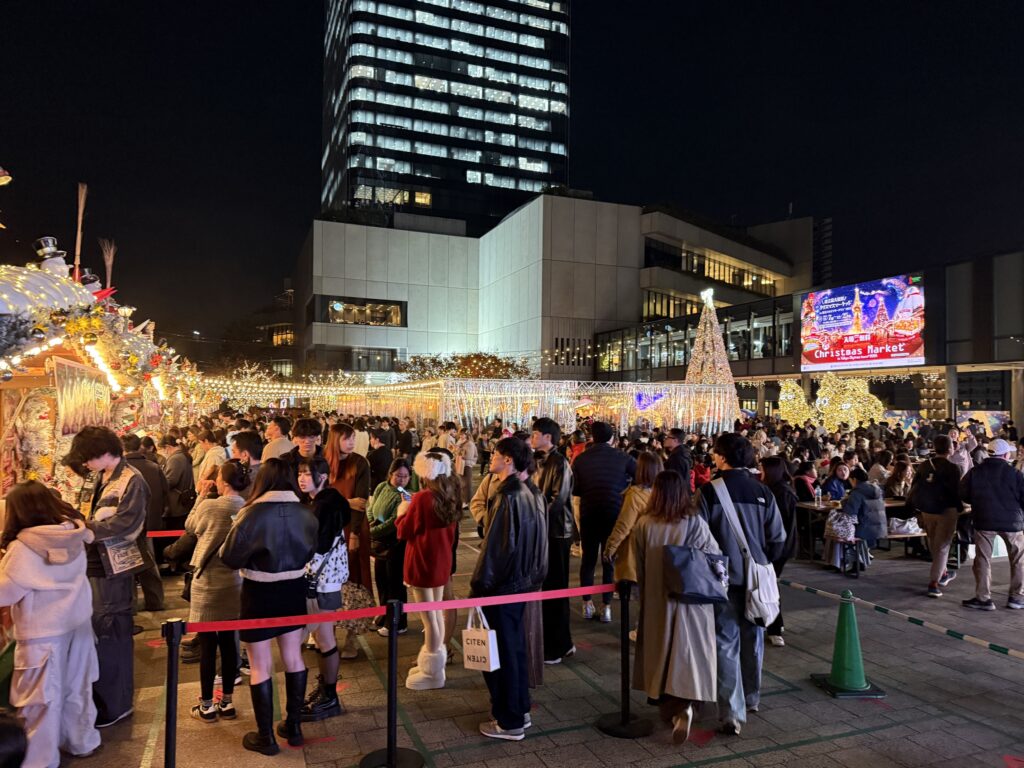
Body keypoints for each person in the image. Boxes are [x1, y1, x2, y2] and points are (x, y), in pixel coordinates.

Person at [219, 459, 318, 754]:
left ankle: (266, 737)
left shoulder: (250, 514)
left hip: (259, 591)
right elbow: (312, 550)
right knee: (294, 657)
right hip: (293, 589)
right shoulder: (307, 513)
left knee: (261, 665)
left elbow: (229, 558)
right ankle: (294, 727)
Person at [0, 481, 102, 766]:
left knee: (40, 700)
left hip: (41, 632)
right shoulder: (72, 534)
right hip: (78, 624)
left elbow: (6, 592)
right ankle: (82, 741)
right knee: (78, 687)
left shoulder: (23, 547)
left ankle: (40, 759)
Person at [698, 433, 786, 736]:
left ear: (722, 457)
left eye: (715, 453)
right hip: (756, 579)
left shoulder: (709, 492)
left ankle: (731, 713)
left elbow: (699, 538)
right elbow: (778, 538)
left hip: (721, 579)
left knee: (725, 642)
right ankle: (752, 698)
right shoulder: (763, 492)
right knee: (755, 638)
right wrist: (762, 563)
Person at [66, 425, 150, 729]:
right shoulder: (96, 476)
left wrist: (85, 530)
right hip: (91, 564)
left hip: (114, 567)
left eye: (88, 457)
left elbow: (126, 524)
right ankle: (101, 700)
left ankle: (117, 704)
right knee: (97, 635)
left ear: (104, 452)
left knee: (111, 635)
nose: (85, 464)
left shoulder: (132, 480)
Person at [631, 471, 720, 743]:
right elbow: (714, 556)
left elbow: (640, 566)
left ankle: (672, 710)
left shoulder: (644, 523)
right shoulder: (695, 522)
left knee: (662, 655)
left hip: (659, 601)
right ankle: (688, 705)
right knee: (690, 654)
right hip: (693, 602)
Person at [470, 437, 547, 741]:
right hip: (523, 582)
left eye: (497, 455)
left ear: (509, 461)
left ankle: (509, 719)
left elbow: (496, 548)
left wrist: (479, 586)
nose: (492, 459)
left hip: (503, 586)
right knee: (513, 648)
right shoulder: (532, 492)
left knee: (500, 653)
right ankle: (519, 709)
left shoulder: (509, 495)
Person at [185, 460, 249, 723]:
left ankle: (207, 705)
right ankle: (228, 702)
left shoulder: (210, 506)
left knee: (208, 646)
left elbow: (191, 526)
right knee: (230, 643)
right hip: (235, 582)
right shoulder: (246, 508)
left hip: (207, 584)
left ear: (222, 481)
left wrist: (201, 494)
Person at [396, 451, 461, 690]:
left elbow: (404, 531)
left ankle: (432, 672)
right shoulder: (450, 494)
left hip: (422, 563)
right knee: (436, 616)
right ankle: (435, 664)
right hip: (441, 562)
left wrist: (402, 511)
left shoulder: (424, 498)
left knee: (430, 618)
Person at [297, 456, 350, 723]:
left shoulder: (324, 506)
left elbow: (318, 546)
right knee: (321, 638)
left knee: (325, 638)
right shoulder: (327, 501)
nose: (302, 478)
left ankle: (329, 695)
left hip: (323, 582)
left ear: (323, 476)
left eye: (308, 473)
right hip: (326, 579)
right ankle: (326, 691)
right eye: (300, 473)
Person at [572, 421, 637, 623]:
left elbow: (577, 491)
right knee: (609, 560)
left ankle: (586, 604)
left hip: (589, 513)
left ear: (592, 437)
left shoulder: (581, 460)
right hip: (613, 514)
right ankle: (607, 606)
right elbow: (639, 480)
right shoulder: (624, 458)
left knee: (588, 561)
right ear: (612, 439)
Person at [324, 422, 373, 658]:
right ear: (335, 440)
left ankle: (352, 637)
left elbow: (360, 501)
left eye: (353, 438)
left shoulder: (360, 462)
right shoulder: (323, 462)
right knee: (327, 582)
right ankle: (327, 634)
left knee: (354, 580)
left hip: (353, 527)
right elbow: (320, 498)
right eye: (346, 438)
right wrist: (345, 500)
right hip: (328, 528)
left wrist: (354, 532)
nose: (351, 443)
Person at [530, 417, 576, 664]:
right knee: (548, 588)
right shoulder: (538, 461)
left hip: (556, 532)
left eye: (536, 433)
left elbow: (557, 501)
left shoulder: (560, 463)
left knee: (555, 589)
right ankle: (563, 642)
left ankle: (557, 646)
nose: (533, 437)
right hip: (544, 530)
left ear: (549, 437)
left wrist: (535, 519)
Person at [959, 439, 1024, 611]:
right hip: (1013, 523)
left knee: (983, 559)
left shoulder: (975, 472)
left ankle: (983, 598)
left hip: (984, 520)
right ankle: (1016, 597)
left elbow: (963, 493)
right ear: (1005, 454)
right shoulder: (1015, 474)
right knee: (1018, 559)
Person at [605, 451, 662, 642]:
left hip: (638, 552)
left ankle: (643, 631)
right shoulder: (664, 492)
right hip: (660, 550)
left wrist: (610, 548)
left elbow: (624, 526)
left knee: (642, 597)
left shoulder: (635, 495)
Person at [907, 435, 963, 597]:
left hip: (927, 509)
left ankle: (943, 572)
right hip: (946, 510)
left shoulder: (924, 465)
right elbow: (955, 492)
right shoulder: (953, 468)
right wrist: (960, 508)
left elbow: (914, 485)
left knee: (933, 542)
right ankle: (934, 582)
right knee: (943, 546)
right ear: (950, 449)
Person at [368, 458, 412, 635]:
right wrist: (371, 522)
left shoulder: (406, 495)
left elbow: (394, 521)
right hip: (379, 544)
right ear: (390, 474)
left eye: (405, 476)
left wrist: (372, 531)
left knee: (395, 584)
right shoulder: (381, 487)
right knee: (381, 580)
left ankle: (398, 622)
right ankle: (383, 613)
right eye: (397, 476)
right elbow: (371, 508)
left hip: (395, 544)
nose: (401, 480)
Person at [123, 433, 167, 612]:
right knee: (148, 562)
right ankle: (155, 601)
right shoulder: (153, 466)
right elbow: (165, 491)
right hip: (149, 523)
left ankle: (130, 604)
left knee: (127, 565)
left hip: (126, 525)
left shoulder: (122, 471)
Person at [760, 456, 797, 647]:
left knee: (770, 587)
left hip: (777, 549)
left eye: (763, 468)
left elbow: (777, 526)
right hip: (780, 548)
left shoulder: (780, 493)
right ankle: (774, 625)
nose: (760, 472)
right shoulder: (780, 489)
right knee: (770, 585)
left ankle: (774, 627)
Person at [455, 428, 479, 508]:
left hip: (466, 465)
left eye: (463, 434)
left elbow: (469, 456)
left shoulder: (469, 444)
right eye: (460, 434)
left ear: (467, 435)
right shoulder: (460, 442)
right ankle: (463, 500)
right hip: (460, 464)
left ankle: (467, 501)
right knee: (461, 483)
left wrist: (459, 450)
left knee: (467, 484)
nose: (461, 436)